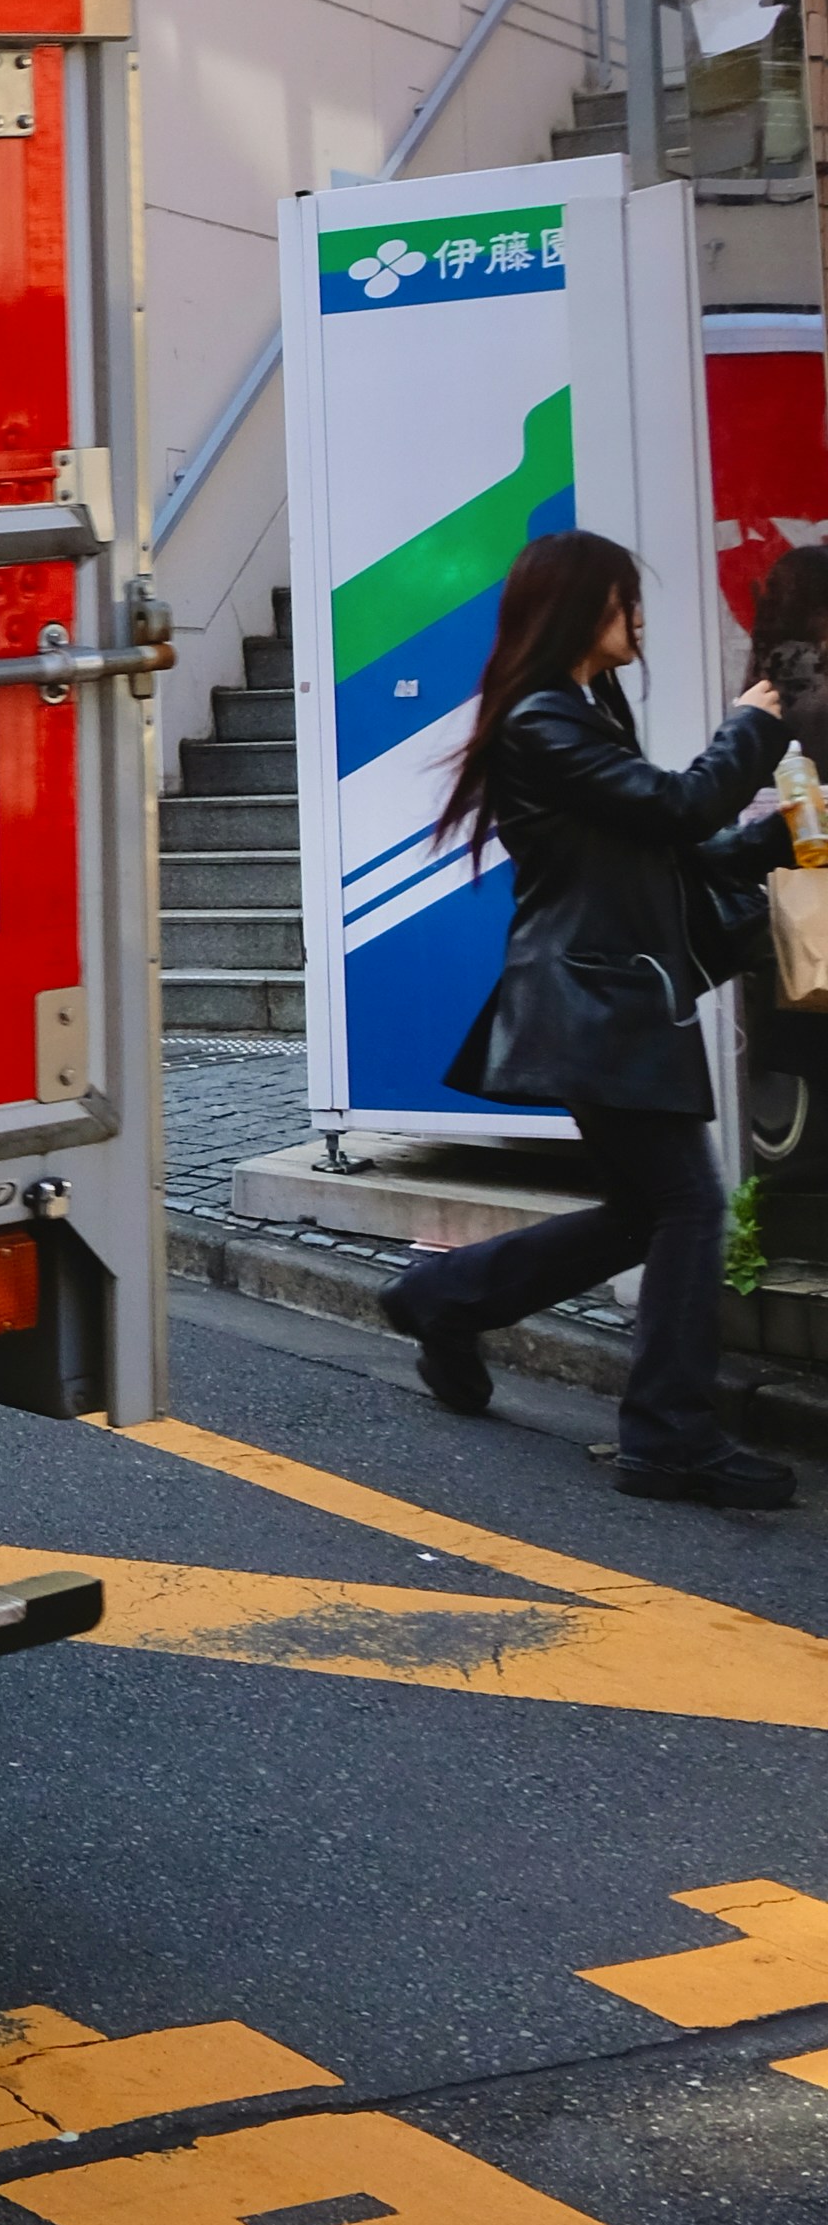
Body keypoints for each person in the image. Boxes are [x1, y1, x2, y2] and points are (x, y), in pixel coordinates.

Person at [379, 525, 795, 1501]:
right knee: (687, 1206)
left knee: (644, 1212)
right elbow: (680, 807)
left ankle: (443, 1298)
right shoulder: (540, 717)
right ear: (578, 609)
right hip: (596, 1002)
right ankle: (668, 1437)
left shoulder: (574, 712)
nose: (637, 616)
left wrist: (782, 836)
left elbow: (671, 855)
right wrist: (759, 716)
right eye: (622, 599)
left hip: (605, 996)